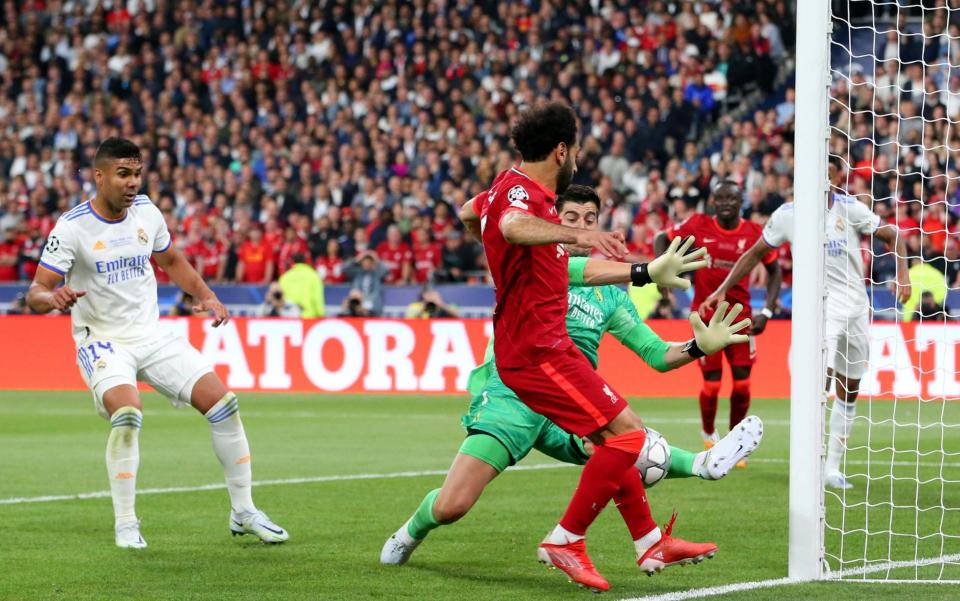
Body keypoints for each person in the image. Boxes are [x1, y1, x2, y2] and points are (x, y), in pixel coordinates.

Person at [381, 184, 762, 568]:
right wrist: (643, 270)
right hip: (514, 395)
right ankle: (411, 530)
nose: (582, 227)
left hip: (569, 402)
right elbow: (573, 268)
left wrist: (699, 346)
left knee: (617, 445)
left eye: (590, 220)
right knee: (452, 506)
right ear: (552, 223)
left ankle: (698, 470)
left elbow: (657, 354)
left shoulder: (611, 296)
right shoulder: (533, 262)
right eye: (571, 219)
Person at [464, 102, 715, 592]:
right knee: (629, 435)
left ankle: (649, 543)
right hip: (538, 350)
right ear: (561, 151)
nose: (576, 156)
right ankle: (565, 539)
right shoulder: (525, 194)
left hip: (539, 346)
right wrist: (580, 233)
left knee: (613, 439)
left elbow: (470, 215)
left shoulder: (501, 186)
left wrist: (498, 261)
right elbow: (512, 227)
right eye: (575, 148)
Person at [25, 138, 288, 548]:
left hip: (151, 334)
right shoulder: (72, 227)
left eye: (137, 174)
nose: (132, 183)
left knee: (225, 405)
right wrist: (52, 298)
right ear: (99, 176)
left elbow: (171, 261)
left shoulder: (147, 212)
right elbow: (35, 292)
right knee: (128, 413)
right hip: (103, 341)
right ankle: (127, 524)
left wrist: (205, 295)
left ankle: (244, 511)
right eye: (123, 174)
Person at [702, 159, 911, 489]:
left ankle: (832, 468)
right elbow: (754, 255)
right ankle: (810, 462)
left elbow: (893, 235)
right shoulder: (788, 214)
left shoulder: (849, 208)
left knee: (850, 388)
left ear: (833, 177)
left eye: (825, 173)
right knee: (817, 384)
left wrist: (903, 275)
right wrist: (722, 288)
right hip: (821, 308)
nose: (818, 178)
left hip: (857, 308)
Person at [654, 181, 781, 462]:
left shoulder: (753, 233)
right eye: (720, 198)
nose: (725, 203)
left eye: (731, 198)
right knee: (712, 385)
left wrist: (768, 311)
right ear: (712, 201)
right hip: (706, 320)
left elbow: (775, 272)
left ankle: (736, 439)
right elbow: (661, 237)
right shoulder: (698, 224)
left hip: (741, 321)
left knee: (742, 385)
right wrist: (661, 265)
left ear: (741, 202)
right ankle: (710, 435)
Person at [278, 252, 324, 318]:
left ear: (293, 262)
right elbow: (317, 297)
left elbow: (281, 298)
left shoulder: (285, 276)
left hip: (290, 317)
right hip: (309, 317)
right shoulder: (313, 275)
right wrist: (321, 314)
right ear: (305, 262)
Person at [343, 250, 388, 316]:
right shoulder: (356, 273)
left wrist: (376, 258)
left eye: (369, 262)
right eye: (365, 261)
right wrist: (357, 259)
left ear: (372, 263)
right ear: (361, 262)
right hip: (358, 304)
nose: (367, 264)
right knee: (348, 304)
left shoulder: (377, 273)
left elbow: (386, 270)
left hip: (373, 305)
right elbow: (344, 268)